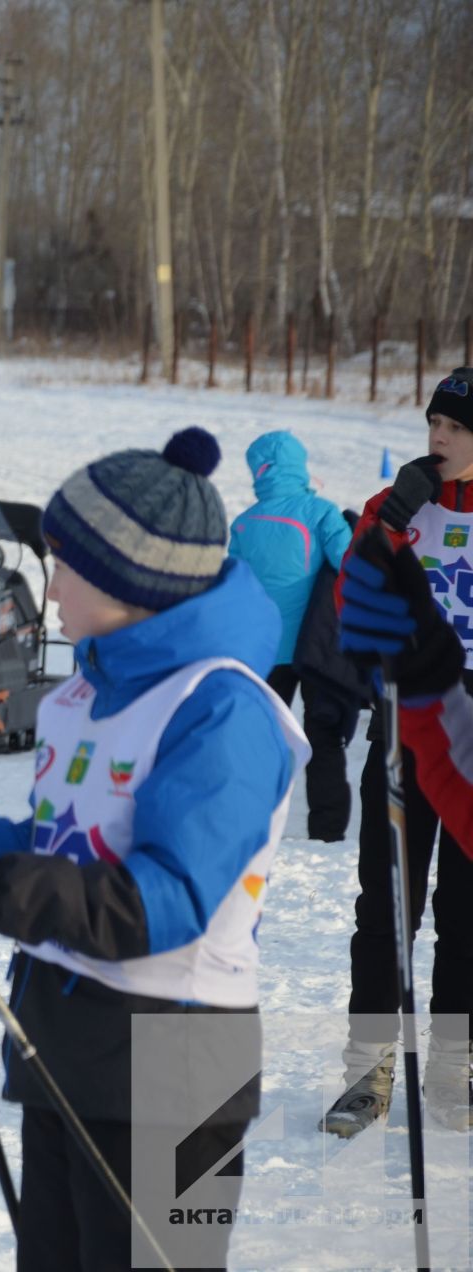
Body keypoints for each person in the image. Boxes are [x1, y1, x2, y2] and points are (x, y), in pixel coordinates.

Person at [0, 428, 304, 1272]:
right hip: (66, 1033)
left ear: (134, 582)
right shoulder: (83, 696)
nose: (49, 582)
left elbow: (160, 904)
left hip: (182, 1061)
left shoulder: (223, 712)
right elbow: (57, 851)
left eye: (67, 564)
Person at [323, 366, 473, 1137]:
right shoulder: (397, 505)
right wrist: (392, 520)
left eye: (453, 428)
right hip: (403, 728)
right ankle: (369, 1071)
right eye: (433, 426)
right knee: (386, 904)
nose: (437, 439)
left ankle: (454, 1067)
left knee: (467, 912)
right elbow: (353, 595)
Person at [227, 430, 358, 839]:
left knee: (263, 740)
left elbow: (234, 585)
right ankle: (328, 829)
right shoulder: (319, 512)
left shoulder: (244, 524)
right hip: (317, 649)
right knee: (324, 738)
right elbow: (348, 561)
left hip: (265, 650)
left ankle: (251, 822)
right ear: (299, 466)